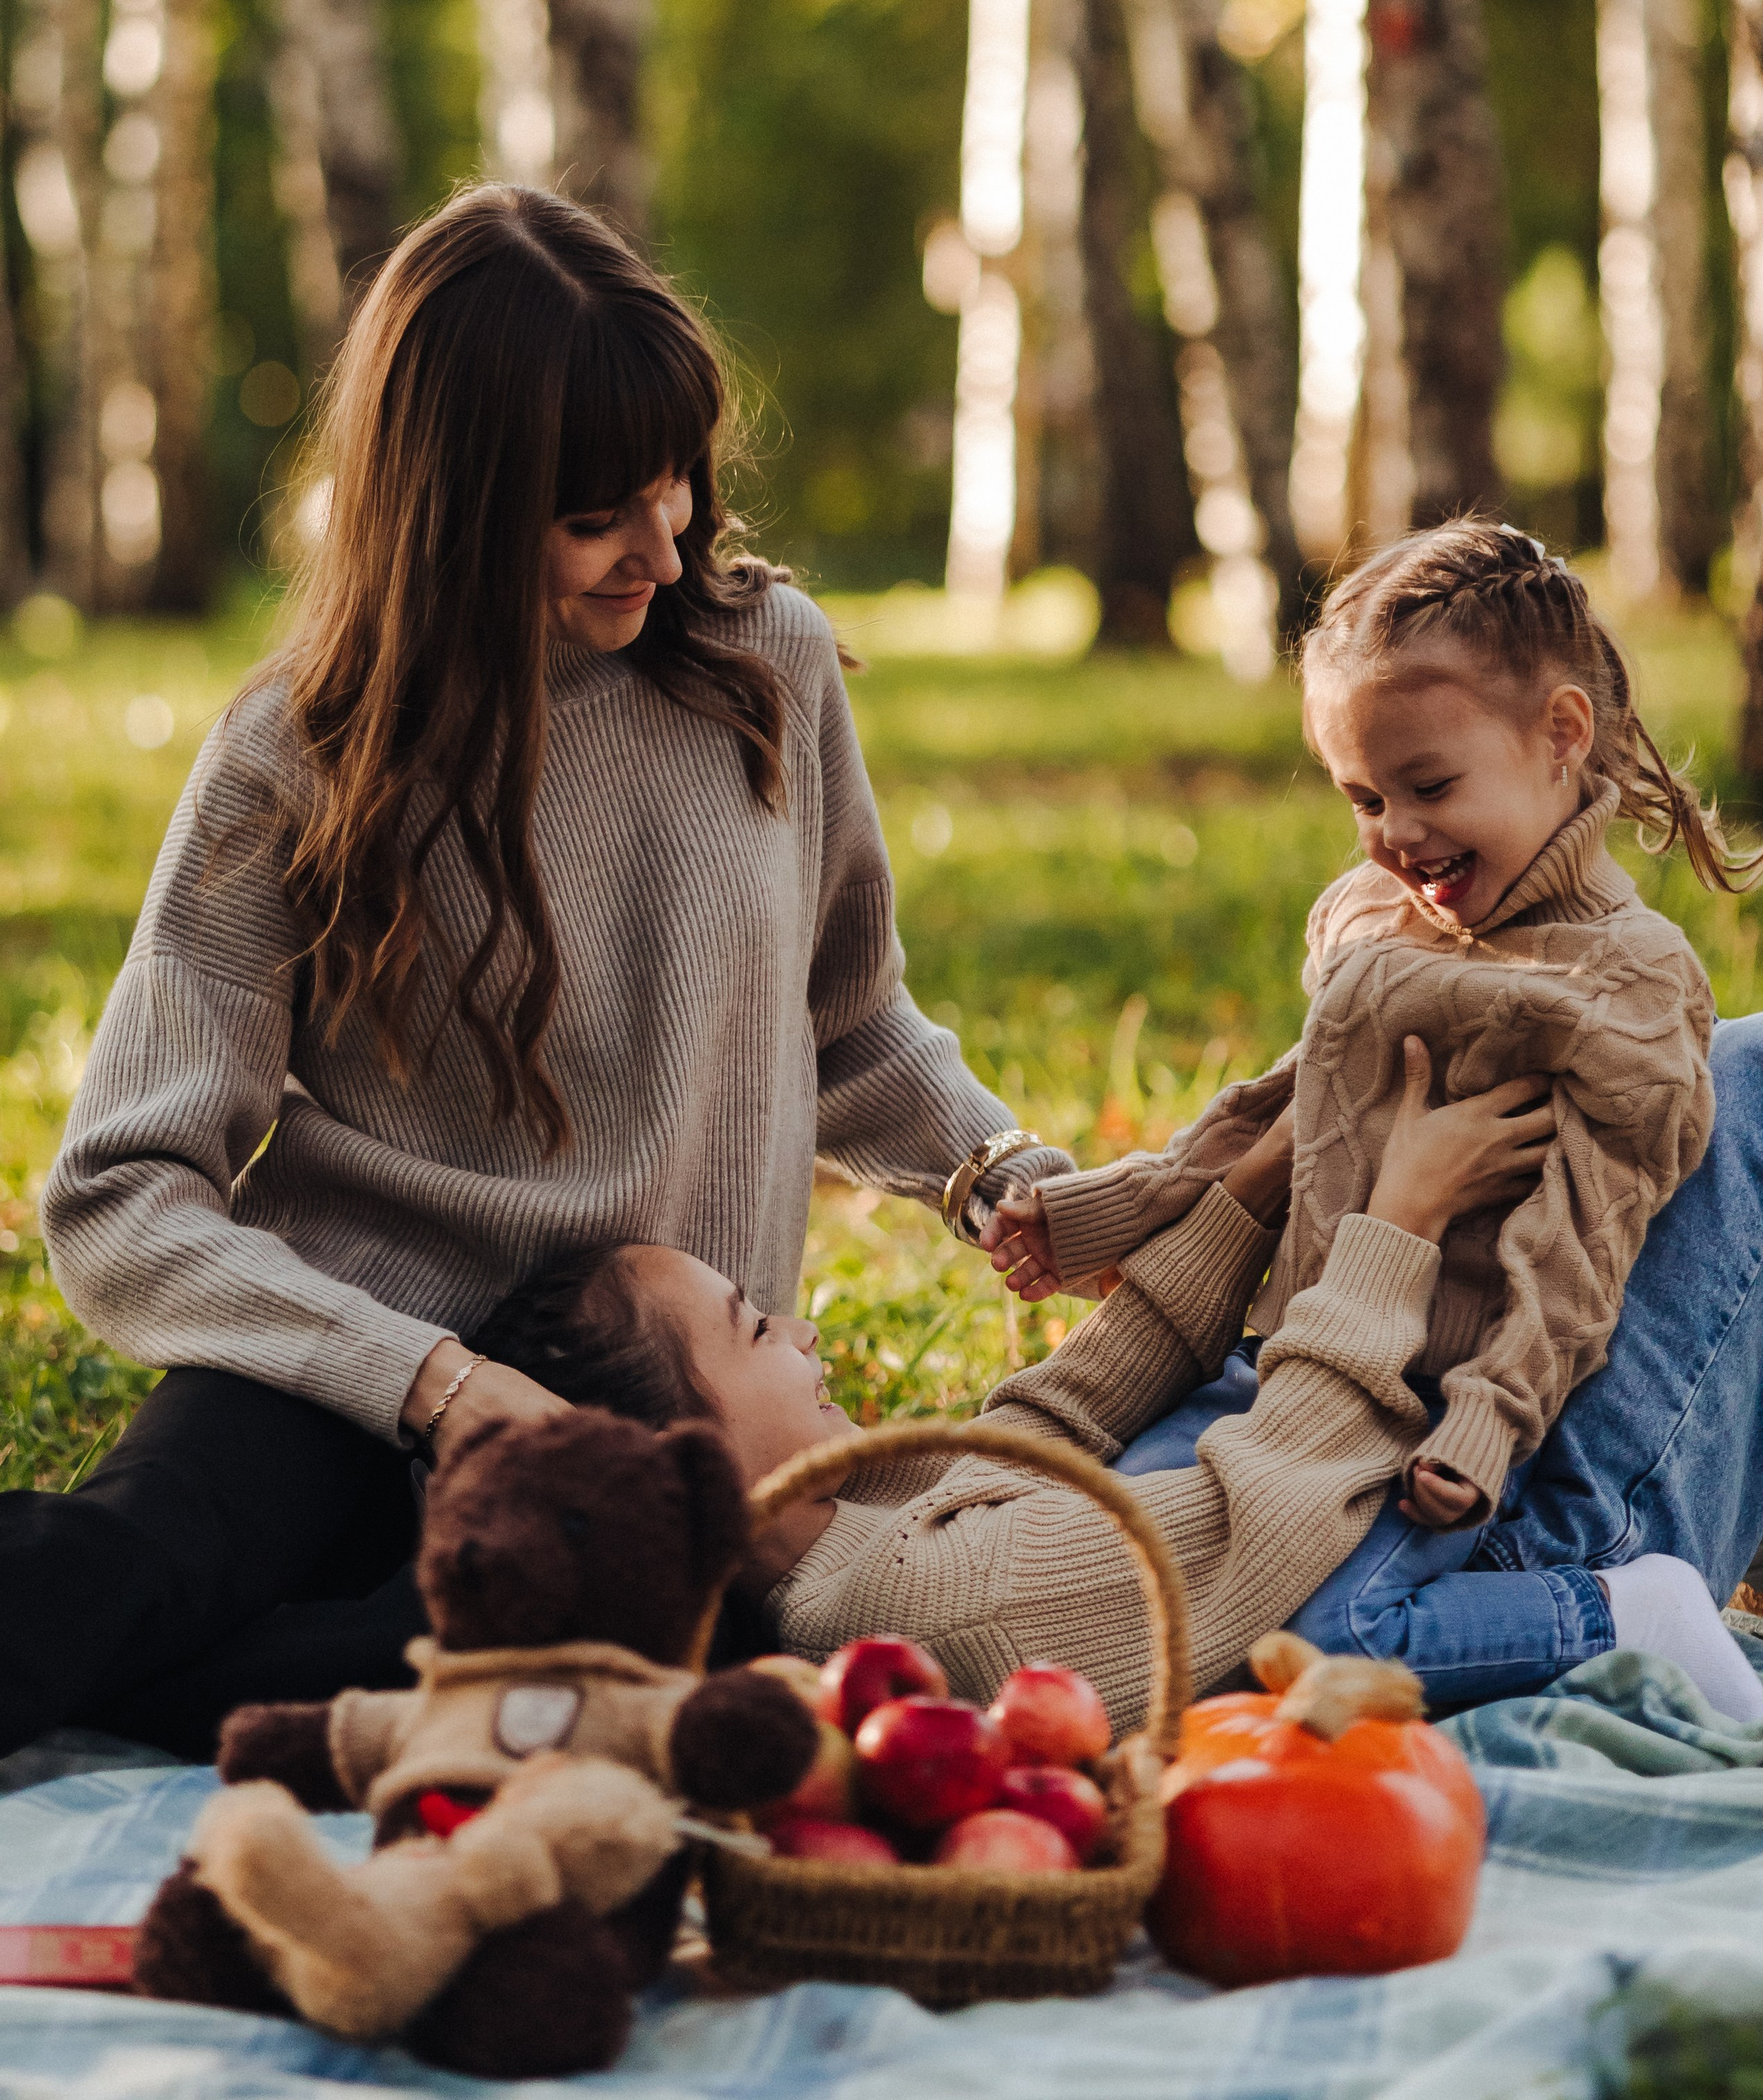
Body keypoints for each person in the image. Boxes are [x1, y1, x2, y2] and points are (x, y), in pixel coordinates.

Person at [1, 188, 1075, 1760]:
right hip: (346, 1351)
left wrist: (996, 1175)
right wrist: (426, 1383)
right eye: (595, 515)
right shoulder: (294, 758)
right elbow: (123, 1188)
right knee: (142, 1568)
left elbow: (848, 1027)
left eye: (675, 488)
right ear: (449, 508)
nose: (663, 546)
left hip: (641, 1398)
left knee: (579, 1676)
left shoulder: (761, 667)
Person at [444, 1011, 1763, 1734]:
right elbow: (1263, 1512)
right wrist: (1389, 1215)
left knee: (1614, 1124)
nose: (806, 1331)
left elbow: (1083, 1395)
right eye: (756, 1332)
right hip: (1472, 1522)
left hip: (1417, 1486)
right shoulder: (919, 1597)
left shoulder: (866, 1535)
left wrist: (1260, 1169)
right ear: (695, 1465)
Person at [983, 523, 1763, 1707]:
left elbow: (1581, 1243)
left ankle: (1634, 1612)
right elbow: (1278, 1110)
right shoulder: (1379, 914)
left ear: (1560, 737)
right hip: (1287, 1373)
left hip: (1428, 1421)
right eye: (1364, 796)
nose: (1398, 835)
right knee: (1115, 1570)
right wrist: (1113, 1210)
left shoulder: (1624, 987)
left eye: (1430, 786)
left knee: (1259, 1644)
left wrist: (1487, 1427)